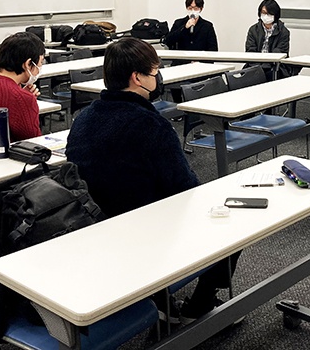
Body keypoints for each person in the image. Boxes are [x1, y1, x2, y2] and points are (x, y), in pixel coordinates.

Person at [65, 37, 238, 324]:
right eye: (155, 71)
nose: (158, 78)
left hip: (93, 226)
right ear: (137, 78)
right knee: (232, 222)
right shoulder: (151, 125)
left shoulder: (83, 119)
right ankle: (199, 306)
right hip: (145, 233)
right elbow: (185, 189)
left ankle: (160, 301)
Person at [245, 0, 292, 80]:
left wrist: (264, 67)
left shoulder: (283, 32)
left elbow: (279, 53)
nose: (266, 16)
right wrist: (258, 68)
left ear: (275, 15)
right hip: (255, 66)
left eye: (269, 13)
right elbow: (250, 51)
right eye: (263, 13)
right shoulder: (253, 30)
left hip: (275, 67)